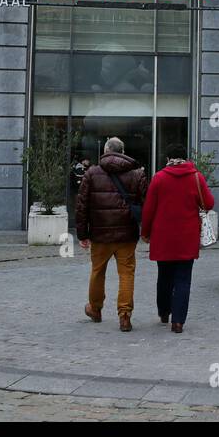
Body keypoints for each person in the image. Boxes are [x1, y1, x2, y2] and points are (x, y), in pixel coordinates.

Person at [141, 143, 215, 333]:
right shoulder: (196, 177)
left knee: (164, 277)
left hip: (163, 237)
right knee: (183, 279)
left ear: (168, 159)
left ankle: (164, 312)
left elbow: (148, 210)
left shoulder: (159, 178)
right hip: (187, 237)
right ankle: (178, 321)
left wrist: (146, 233)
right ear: (186, 159)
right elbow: (208, 202)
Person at [75, 138, 147, 332]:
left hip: (100, 234)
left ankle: (95, 309)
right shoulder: (136, 174)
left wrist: (82, 234)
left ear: (106, 151)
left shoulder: (91, 173)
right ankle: (125, 316)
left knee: (97, 271)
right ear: (123, 151)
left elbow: (81, 206)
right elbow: (144, 204)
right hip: (127, 235)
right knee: (126, 273)